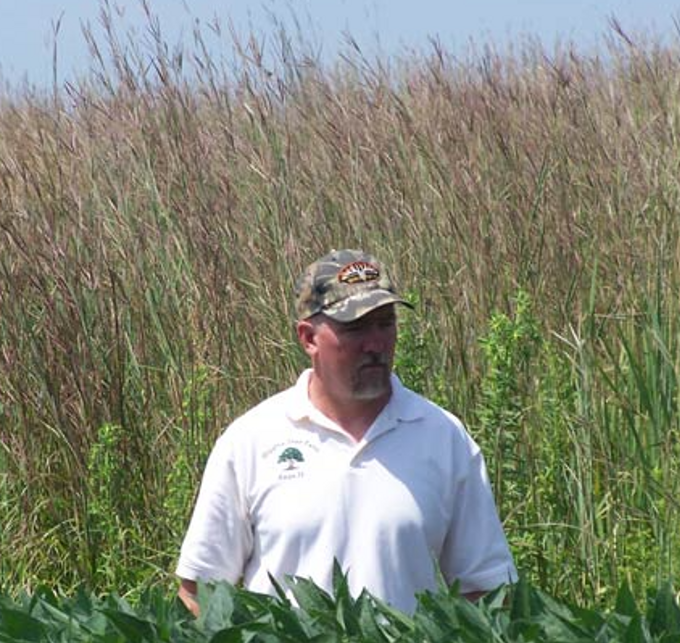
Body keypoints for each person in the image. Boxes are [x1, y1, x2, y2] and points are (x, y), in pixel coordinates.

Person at [175, 248, 517, 614]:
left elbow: (486, 590)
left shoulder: (443, 437)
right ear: (308, 338)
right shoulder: (251, 441)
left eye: (385, 323)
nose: (375, 344)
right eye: (354, 328)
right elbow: (200, 592)